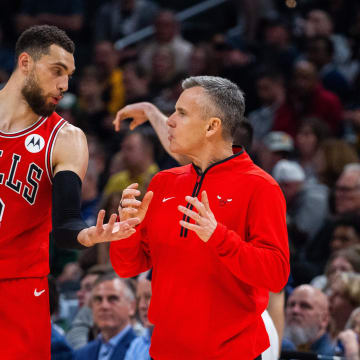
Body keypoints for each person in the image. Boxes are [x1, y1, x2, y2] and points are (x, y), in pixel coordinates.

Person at [110, 76, 290, 359]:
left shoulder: (261, 187)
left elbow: (276, 275)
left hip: (233, 353)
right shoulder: (162, 183)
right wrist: (125, 233)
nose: (170, 121)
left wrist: (219, 238)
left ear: (212, 126)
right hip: (165, 351)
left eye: (181, 113)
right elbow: (128, 267)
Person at [0, 25, 140, 359]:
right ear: (25, 63)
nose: (65, 85)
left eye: (69, 75)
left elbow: (65, 226)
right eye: (57, 71)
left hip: (18, 286)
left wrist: (88, 236)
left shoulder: (66, 139)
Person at [74, 273, 137, 360]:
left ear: (132, 306)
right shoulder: (81, 354)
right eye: (98, 299)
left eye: (113, 299)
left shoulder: (141, 352)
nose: (104, 306)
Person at [283, 284, 336, 356]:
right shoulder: (278, 345)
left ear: (324, 319)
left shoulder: (333, 355)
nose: (295, 310)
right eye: (291, 304)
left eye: (305, 306)